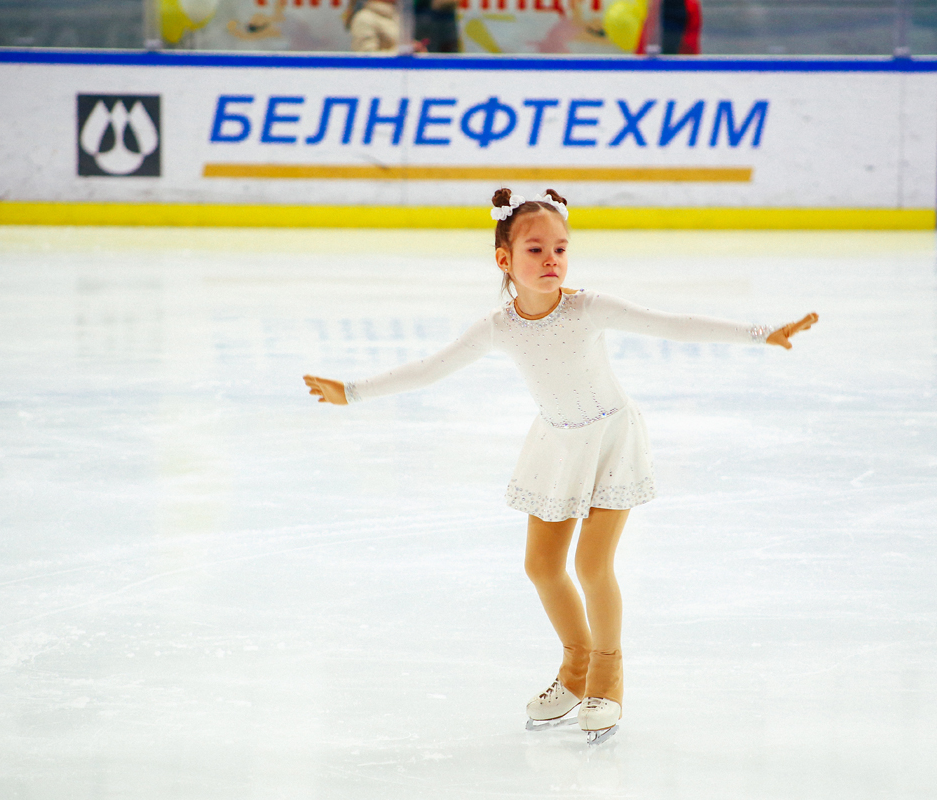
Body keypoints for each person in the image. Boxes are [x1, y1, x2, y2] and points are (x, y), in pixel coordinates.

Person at [303, 190, 817, 744]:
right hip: (557, 444)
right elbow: (432, 369)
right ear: (504, 259)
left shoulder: (587, 308)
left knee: (593, 566)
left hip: (611, 440)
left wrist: (761, 333)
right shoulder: (498, 327)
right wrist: (352, 392)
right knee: (542, 568)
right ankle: (575, 667)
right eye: (536, 249)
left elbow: (673, 325)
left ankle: (607, 676)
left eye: (561, 249)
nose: (552, 259)